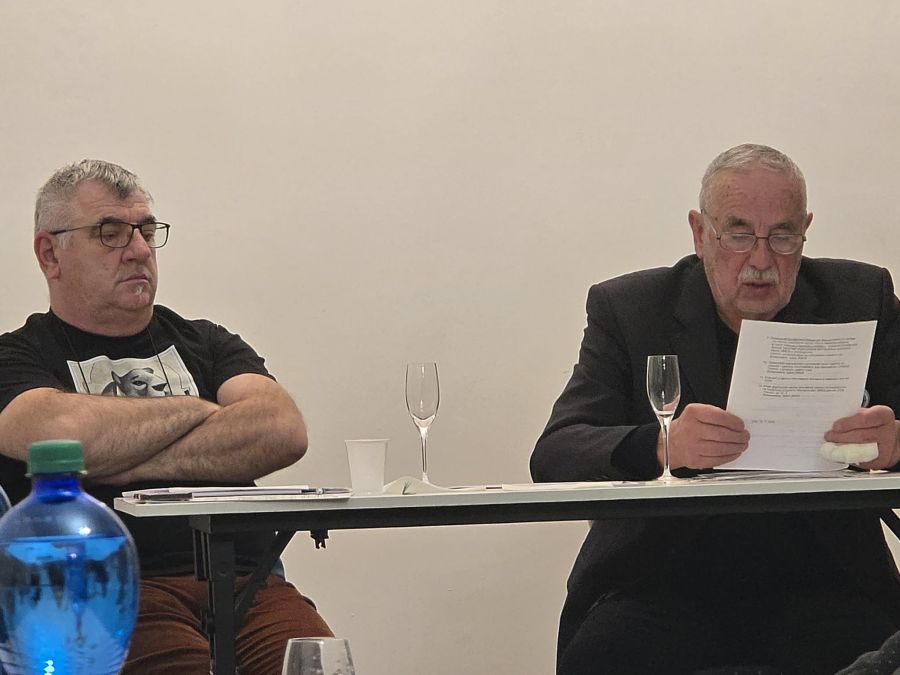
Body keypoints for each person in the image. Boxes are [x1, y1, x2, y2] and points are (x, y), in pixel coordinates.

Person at [531, 144, 900, 675]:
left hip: (826, 581)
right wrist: (663, 446)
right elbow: (556, 453)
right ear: (700, 233)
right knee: (606, 656)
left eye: (782, 236)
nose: (761, 260)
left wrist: (894, 442)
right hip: (661, 583)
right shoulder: (632, 309)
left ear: (805, 231)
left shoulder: (860, 297)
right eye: (739, 234)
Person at [0, 160, 333, 674]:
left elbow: (281, 430)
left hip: (249, 583)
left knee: (322, 664)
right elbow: (59, 435)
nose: (138, 250)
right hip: (110, 591)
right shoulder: (17, 357)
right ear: (50, 254)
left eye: (147, 230)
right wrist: (204, 412)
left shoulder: (207, 342)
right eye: (110, 233)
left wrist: (122, 458)